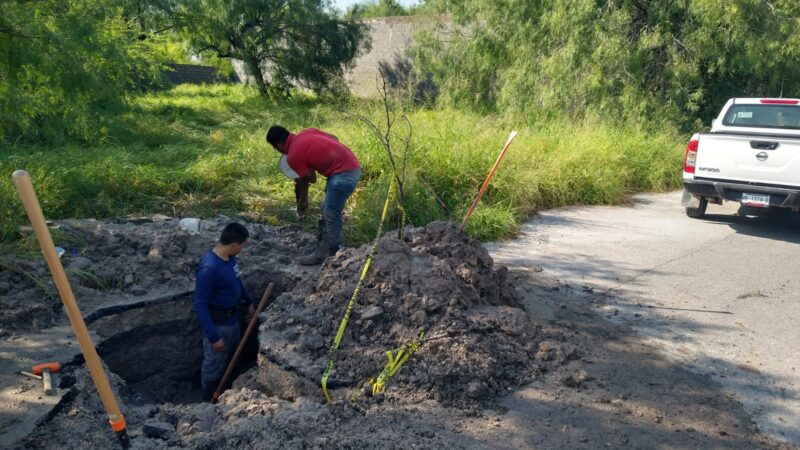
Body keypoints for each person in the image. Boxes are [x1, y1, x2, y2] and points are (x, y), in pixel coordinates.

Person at [266, 125, 362, 265]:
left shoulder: (293, 155)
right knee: (326, 209)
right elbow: (335, 138)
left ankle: (337, 256)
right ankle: (322, 252)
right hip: (352, 164)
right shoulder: (307, 132)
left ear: (279, 145)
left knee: (330, 214)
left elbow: (312, 179)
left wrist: (303, 172)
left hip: (343, 175)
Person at [193, 222, 255, 401]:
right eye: (242, 245)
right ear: (234, 243)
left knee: (233, 359)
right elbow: (200, 304)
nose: (243, 248)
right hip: (218, 325)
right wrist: (214, 337)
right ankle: (208, 400)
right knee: (213, 365)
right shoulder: (209, 269)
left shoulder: (230, 259)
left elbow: (237, 283)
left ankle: (230, 394)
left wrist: (248, 302)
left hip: (234, 320)